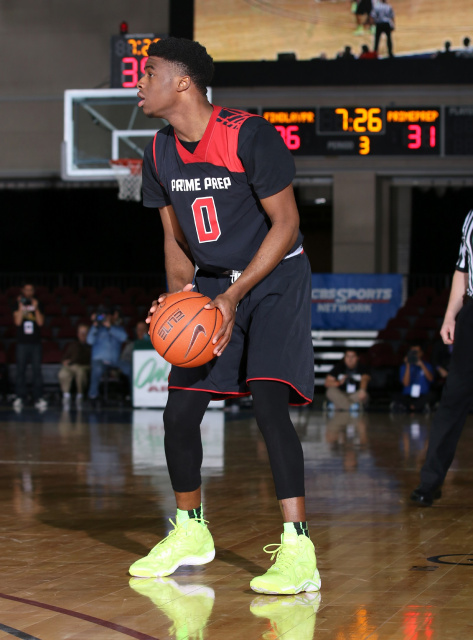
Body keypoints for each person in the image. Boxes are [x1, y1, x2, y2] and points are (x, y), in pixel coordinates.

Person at [130, 37, 320, 596]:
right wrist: (179, 300)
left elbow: (285, 224)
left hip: (275, 277)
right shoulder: (159, 152)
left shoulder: (248, 134)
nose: (139, 83)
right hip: (212, 286)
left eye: (149, 72)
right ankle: (191, 531)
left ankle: (298, 548)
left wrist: (234, 298)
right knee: (179, 414)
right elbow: (174, 237)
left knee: (268, 404)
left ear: (182, 83)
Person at [411, 210, 473, 506]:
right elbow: (463, 269)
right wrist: (451, 315)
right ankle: (430, 482)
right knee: (453, 398)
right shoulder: (471, 216)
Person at [12, 283, 48, 411]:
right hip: (22, 342)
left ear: (33, 291)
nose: (28, 292)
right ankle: (20, 396)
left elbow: (40, 322)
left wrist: (36, 308)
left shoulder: (39, 303)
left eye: (30, 290)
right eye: (26, 290)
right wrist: (21, 307)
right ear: (22, 291)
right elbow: (17, 322)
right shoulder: (18, 303)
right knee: (20, 370)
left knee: (37, 371)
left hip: (35, 343)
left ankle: (38, 397)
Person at [86, 306, 128, 405]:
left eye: (104, 316)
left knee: (129, 368)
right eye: (100, 316)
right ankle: (92, 396)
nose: (103, 318)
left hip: (116, 361)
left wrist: (109, 327)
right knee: (97, 369)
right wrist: (95, 325)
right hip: (99, 360)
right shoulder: (96, 329)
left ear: (110, 317)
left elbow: (124, 337)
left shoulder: (117, 328)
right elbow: (89, 341)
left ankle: (132, 396)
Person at [392, 345, 434, 413]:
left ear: (421, 353)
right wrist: (408, 365)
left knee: (433, 395)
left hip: (422, 395)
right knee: (395, 395)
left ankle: (411, 406)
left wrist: (422, 365)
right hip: (408, 395)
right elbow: (405, 383)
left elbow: (431, 379)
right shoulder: (404, 366)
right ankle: (416, 406)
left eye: (416, 352)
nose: (415, 354)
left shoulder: (427, 365)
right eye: (412, 352)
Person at [58, 324, 91, 407]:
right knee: (63, 373)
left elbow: (85, 359)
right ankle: (66, 395)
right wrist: (64, 361)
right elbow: (64, 357)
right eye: (80, 332)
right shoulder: (73, 345)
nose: (82, 335)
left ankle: (80, 395)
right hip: (71, 366)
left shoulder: (90, 345)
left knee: (80, 372)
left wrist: (72, 360)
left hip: (83, 366)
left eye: (84, 332)